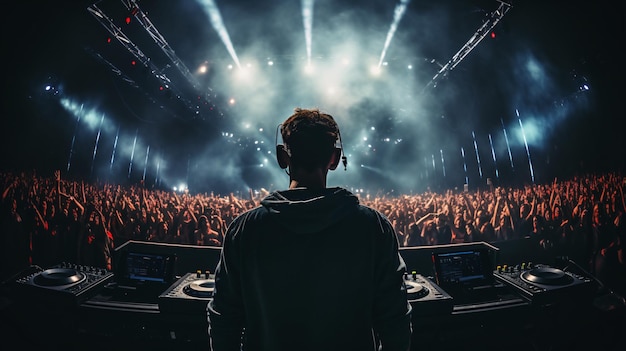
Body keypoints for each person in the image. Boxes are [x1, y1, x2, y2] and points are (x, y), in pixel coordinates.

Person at [207, 108, 412, 351]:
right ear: (335, 159)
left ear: (282, 157)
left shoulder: (244, 229)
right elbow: (396, 322)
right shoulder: (373, 226)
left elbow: (223, 321)